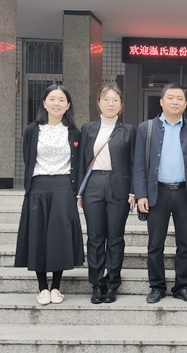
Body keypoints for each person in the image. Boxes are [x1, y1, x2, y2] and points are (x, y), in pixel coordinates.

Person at [133, 84, 187, 304]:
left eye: (179, 98)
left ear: (185, 104)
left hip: (185, 194)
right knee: (155, 244)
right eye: (170, 97)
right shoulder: (146, 128)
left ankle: (182, 286)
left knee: (185, 244)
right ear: (161, 102)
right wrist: (141, 194)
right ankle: (157, 287)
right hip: (157, 193)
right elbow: (139, 164)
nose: (175, 102)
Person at [14, 84, 84, 305]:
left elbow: (77, 163)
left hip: (64, 187)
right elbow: (28, 158)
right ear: (44, 103)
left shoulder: (74, 132)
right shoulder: (32, 130)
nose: (56, 103)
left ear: (68, 105)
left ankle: (56, 287)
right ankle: (42, 287)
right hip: (38, 187)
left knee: (60, 237)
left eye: (61, 100)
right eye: (52, 99)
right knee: (38, 235)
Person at [78, 84, 136, 304]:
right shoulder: (88, 128)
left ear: (121, 105)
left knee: (115, 238)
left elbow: (134, 162)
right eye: (106, 99)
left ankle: (112, 283)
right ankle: (96, 284)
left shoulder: (128, 130)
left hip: (119, 186)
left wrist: (133, 191)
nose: (110, 104)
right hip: (93, 185)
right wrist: (79, 191)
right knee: (94, 237)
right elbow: (82, 161)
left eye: (115, 100)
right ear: (98, 103)